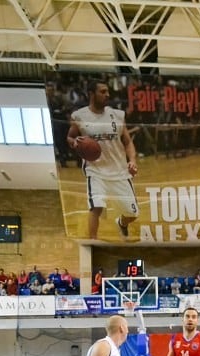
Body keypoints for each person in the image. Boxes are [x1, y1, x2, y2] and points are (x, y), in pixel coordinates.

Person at [66, 79, 139, 240]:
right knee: (96, 207)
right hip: (96, 170)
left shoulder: (117, 115)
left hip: (119, 171)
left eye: (107, 91)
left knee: (132, 214)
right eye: (103, 91)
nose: (108, 94)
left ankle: (122, 223)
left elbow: (127, 142)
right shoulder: (79, 116)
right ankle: (93, 243)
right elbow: (70, 137)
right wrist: (75, 143)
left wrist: (132, 160)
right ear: (91, 94)